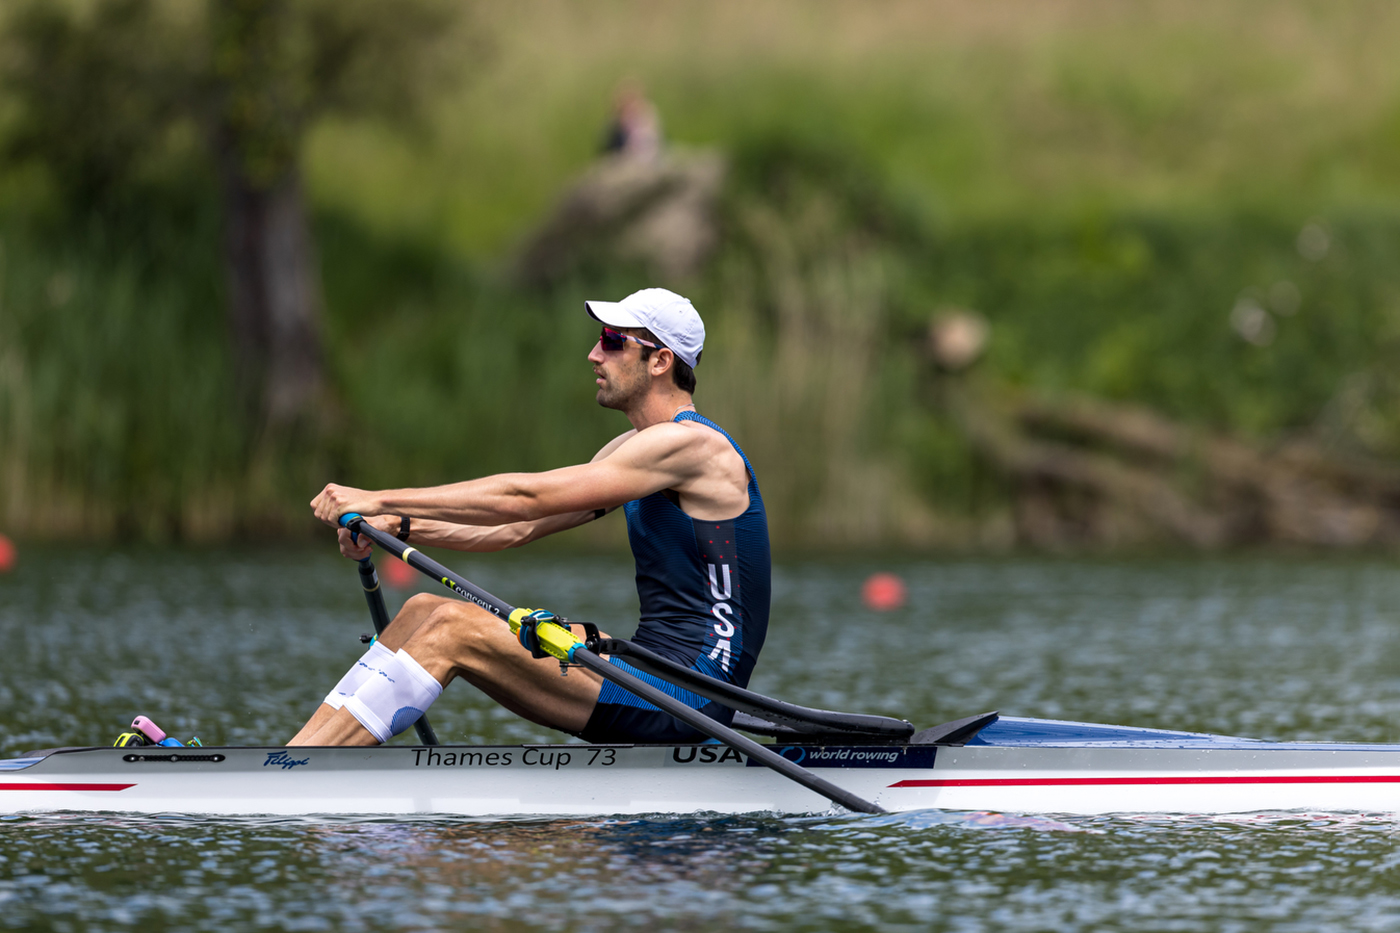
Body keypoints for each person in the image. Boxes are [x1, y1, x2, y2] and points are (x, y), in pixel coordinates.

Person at [289, 288, 769, 747]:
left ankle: (297, 776)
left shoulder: (696, 448)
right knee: (421, 610)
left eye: (612, 341)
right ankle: (298, 752)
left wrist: (378, 498)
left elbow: (524, 498)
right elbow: (514, 528)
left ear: (661, 361)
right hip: (646, 668)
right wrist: (398, 526)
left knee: (454, 628)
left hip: (692, 694)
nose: (594, 355)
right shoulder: (636, 451)